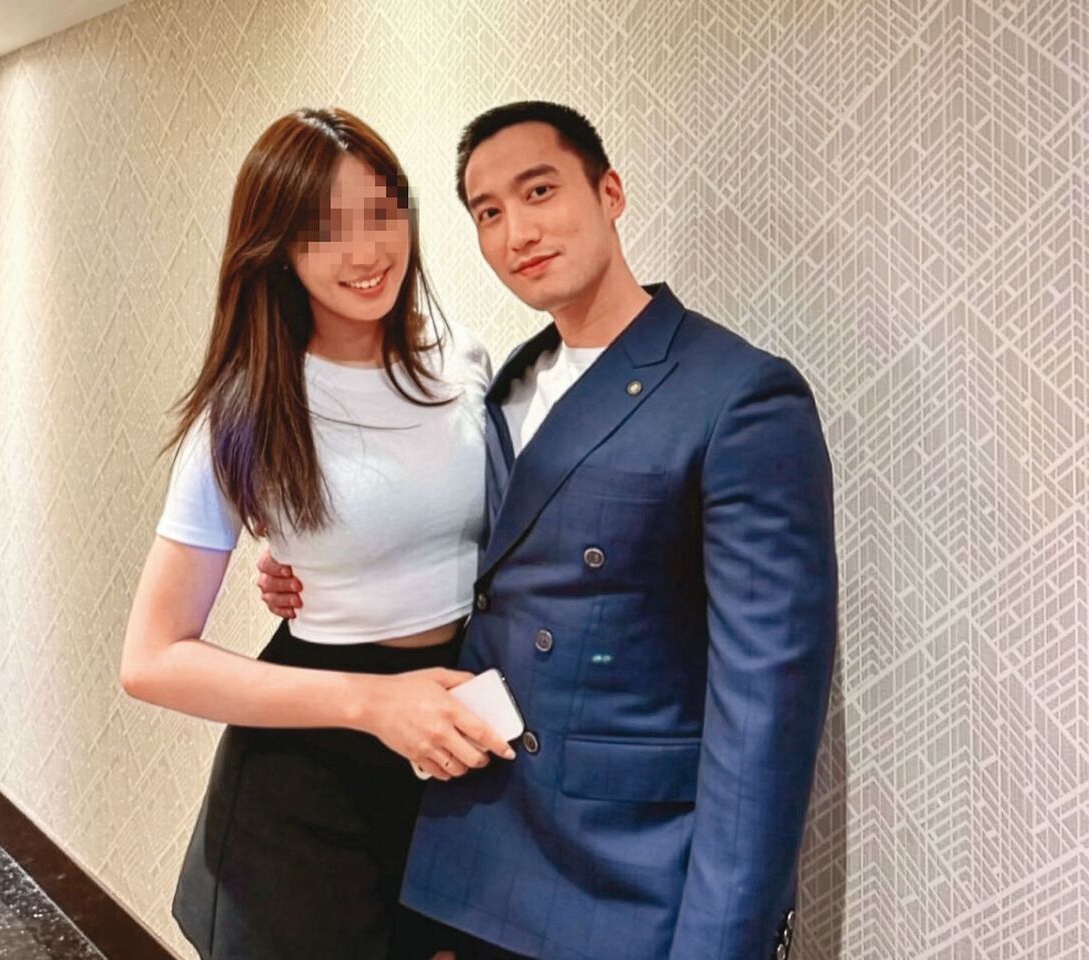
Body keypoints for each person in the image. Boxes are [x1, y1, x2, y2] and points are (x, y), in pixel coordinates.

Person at [257, 101, 838, 960]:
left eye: (539, 191)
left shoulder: (736, 397)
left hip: (625, 883)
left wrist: (725, 942)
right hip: (470, 852)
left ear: (610, 192)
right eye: (488, 212)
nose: (517, 232)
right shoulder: (502, 386)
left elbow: (764, 716)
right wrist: (315, 564)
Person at [119, 106, 515, 960]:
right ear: (278, 249)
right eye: (325, 230)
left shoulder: (463, 361)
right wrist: (372, 702)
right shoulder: (247, 411)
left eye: (380, 214)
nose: (366, 252)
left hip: (454, 745)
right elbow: (150, 659)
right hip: (311, 783)